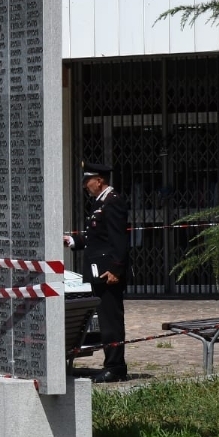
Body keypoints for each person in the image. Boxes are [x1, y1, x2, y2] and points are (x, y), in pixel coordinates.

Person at [64, 163, 129, 382]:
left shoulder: (113, 202)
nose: (85, 186)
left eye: (87, 181)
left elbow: (118, 238)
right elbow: (96, 238)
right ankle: (111, 364)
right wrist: (73, 241)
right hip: (97, 272)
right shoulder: (100, 203)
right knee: (104, 319)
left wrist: (115, 269)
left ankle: (116, 367)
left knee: (111, 322)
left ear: (99, 180)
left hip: (107, 274)